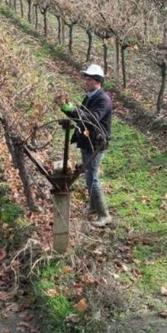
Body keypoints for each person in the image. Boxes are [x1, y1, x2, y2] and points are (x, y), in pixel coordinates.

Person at [59, 64, 113, 227]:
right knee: (89, 175)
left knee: (92, 178)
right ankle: (92, 207)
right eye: (86, 79)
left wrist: (74, 110)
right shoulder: (90, 96)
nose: (86, 82)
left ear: (98, 81)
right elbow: (80, 119)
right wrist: (67, 109)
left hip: (95, 143)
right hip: (87, 141)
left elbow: (92, 119)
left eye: (89, 79)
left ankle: (104, 215)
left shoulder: (103, 100)